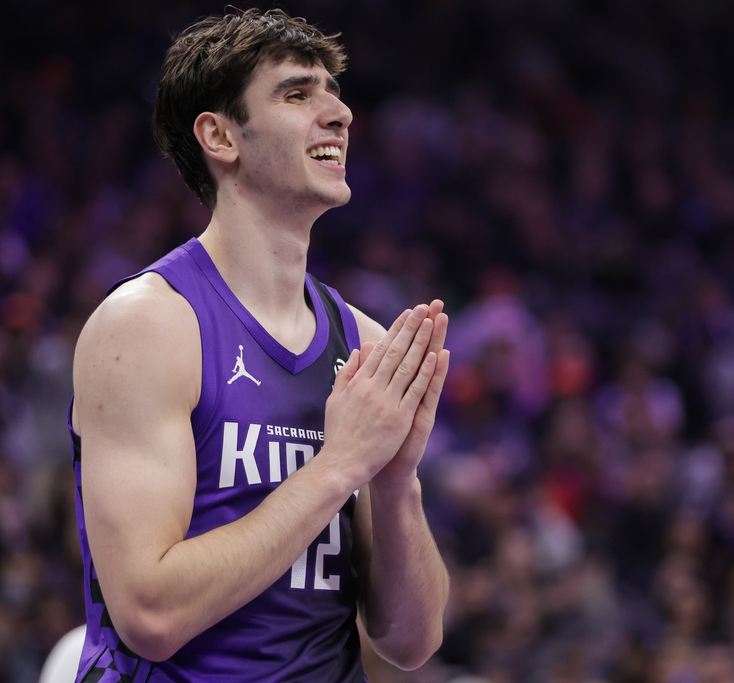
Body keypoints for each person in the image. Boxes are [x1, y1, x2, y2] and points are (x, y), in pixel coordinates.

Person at [68, 8, 450, 681]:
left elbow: (410, 639)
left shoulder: (363, 340)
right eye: (298, 93)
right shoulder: (148, 325)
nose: (339, 113)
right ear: (220, 135)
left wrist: (393, 483)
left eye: (334, 91)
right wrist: (338, 466)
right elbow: (150, 615)